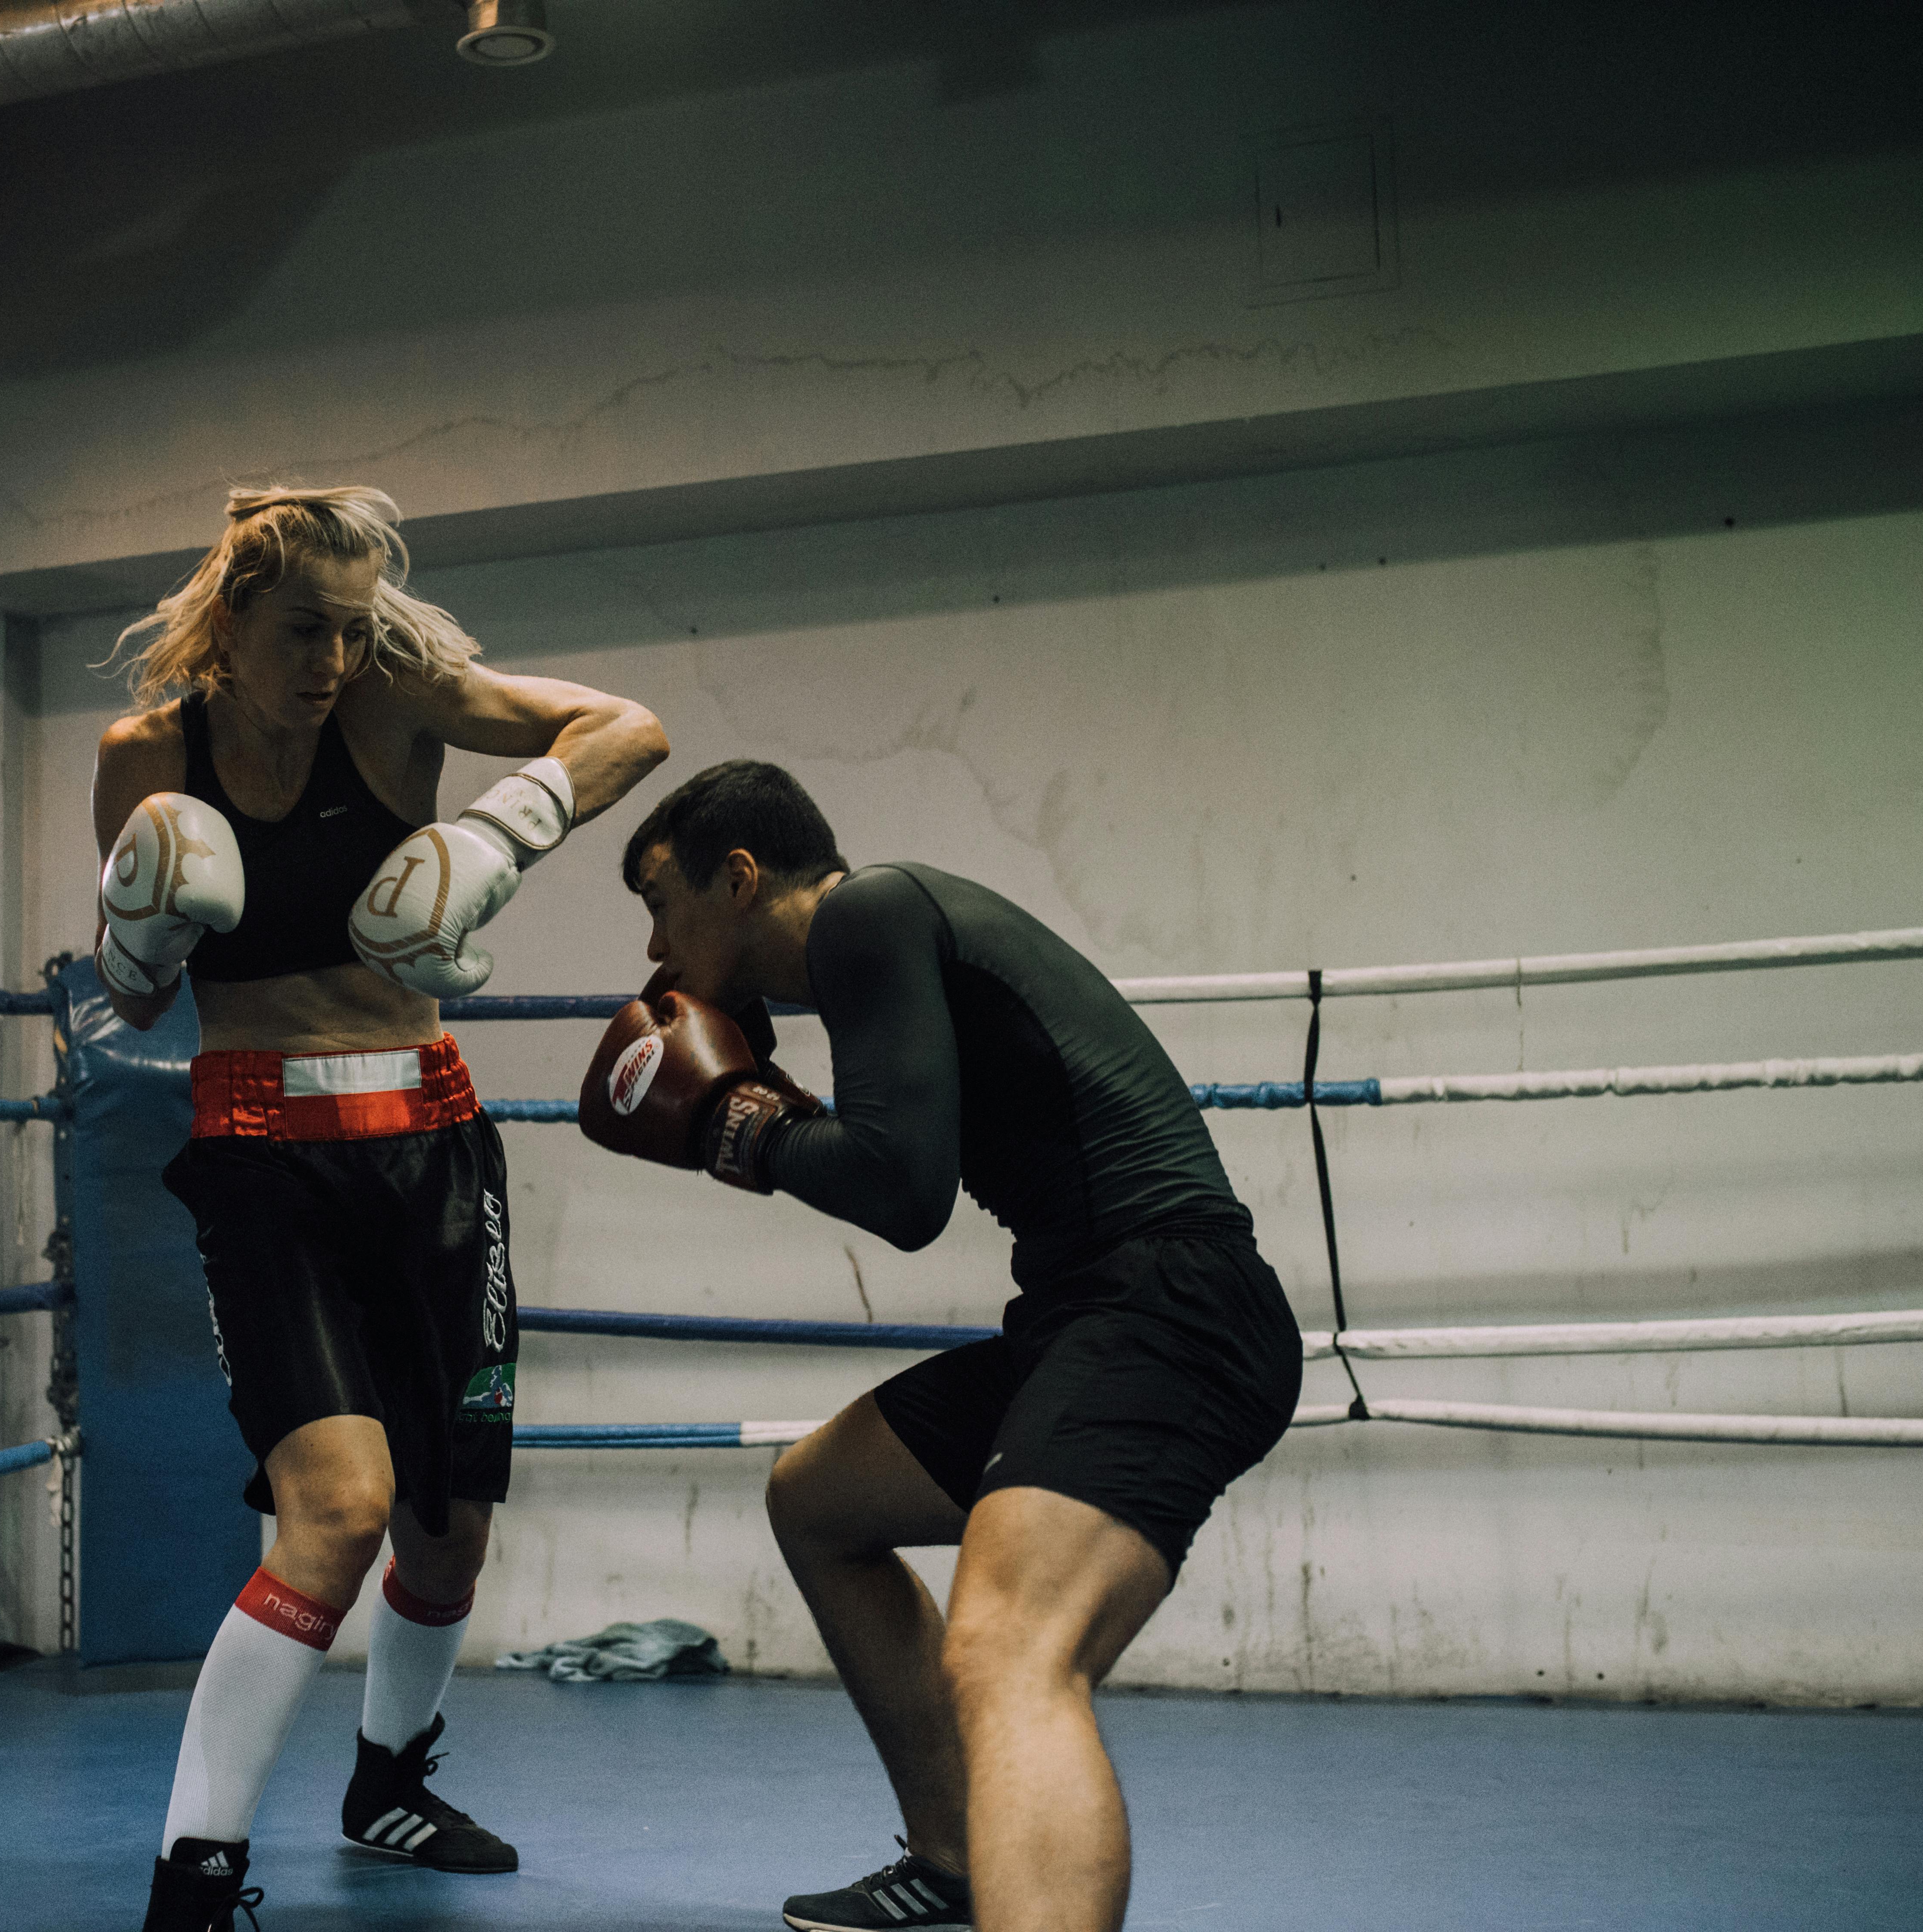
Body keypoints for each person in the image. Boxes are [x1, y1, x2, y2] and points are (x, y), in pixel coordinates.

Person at [579, 760, 1303, 1932]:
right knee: (819, 1499)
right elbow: (894, 1161)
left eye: (662, 905)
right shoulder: (886, 943)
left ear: (743, 877)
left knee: (1010, 1648)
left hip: (1167, 1309)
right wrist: (768, 1122)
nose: (657, 953)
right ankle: (957, 1854)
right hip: (1091, 1311)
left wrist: (742, 1129)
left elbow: (904, 1192)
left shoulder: (869, 915)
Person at [94, 485, 667, 1932]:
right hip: (262, 1156)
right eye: (304, 630)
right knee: (334, 1514)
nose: (332, 661)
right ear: (232, 617)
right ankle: (195, 1875)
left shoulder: (399, 702)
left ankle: (392, 1781)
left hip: (433, 1145)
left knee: (443, 1530)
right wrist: (141, 925)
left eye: (353, 630)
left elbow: (627, 727)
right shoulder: (151, 757)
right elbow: (139, 993)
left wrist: (498, 836)